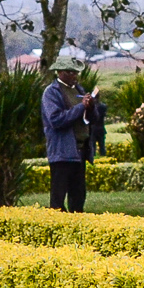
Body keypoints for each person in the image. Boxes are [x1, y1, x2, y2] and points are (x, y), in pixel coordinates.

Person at [42, 47, 105, 215]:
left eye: (76, 73)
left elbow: (92, 119)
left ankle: (77, 225)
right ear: (60, 72)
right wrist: (80, 107)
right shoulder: (52, 92)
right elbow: (56, 120)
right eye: (71, 72)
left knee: (78, 196)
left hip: (80, 151)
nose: (75, 76)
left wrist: (91, 107)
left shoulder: (78, 89)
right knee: (58, 197)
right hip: (62, 151)